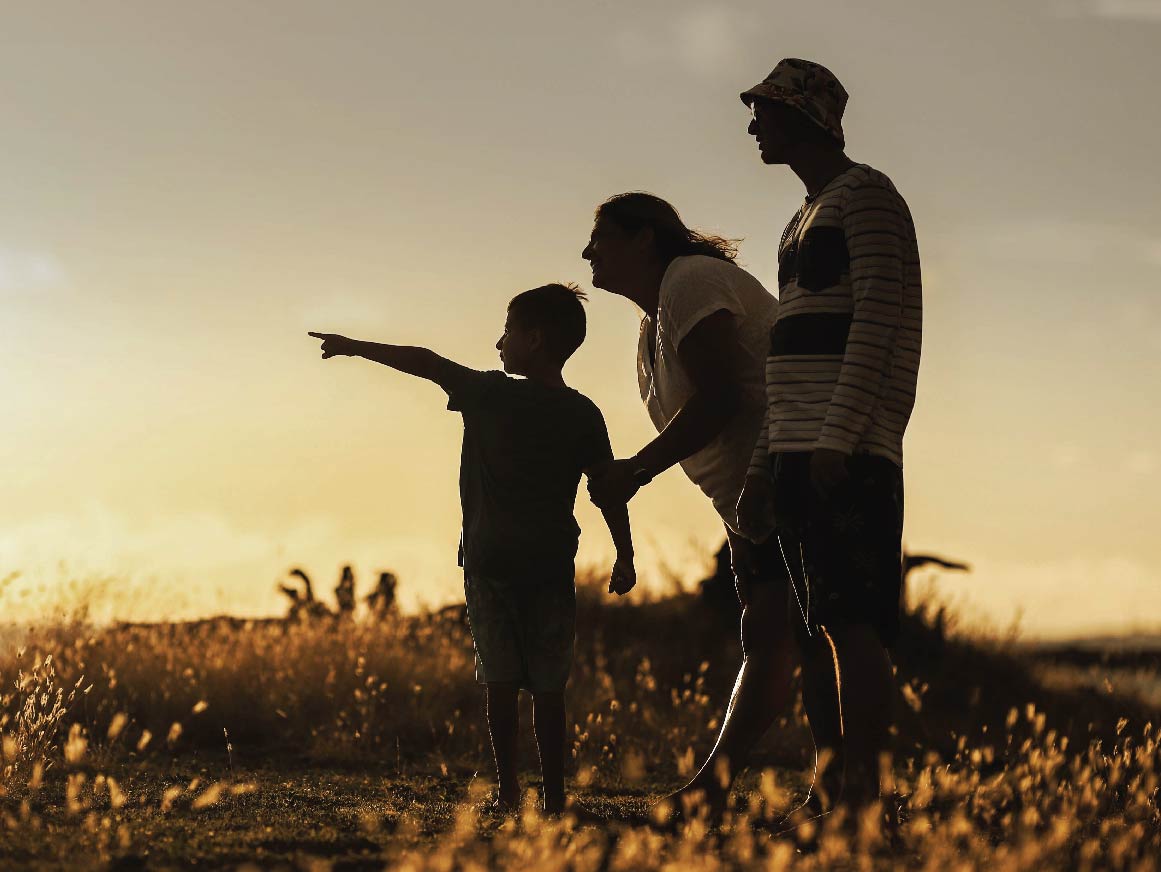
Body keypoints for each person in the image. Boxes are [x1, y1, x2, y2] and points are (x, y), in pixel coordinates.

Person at [308, 283, 636, 815]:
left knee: (500, 681)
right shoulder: (583, 413)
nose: (499, 341)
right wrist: (625, 553)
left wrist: (355, 346)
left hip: (488, 564)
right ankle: (553, 798)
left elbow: (426, 362)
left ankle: (509, 793)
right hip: (551, 566)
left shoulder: (490, 392)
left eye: (508, 330)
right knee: (549, 689)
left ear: (534, 338)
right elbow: (606, 488)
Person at [736, 58, 923, 817]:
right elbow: (788, 352)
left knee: (851, 623)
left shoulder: (868, 198)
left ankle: (865, 803)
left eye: (765, 112)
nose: (753, 126)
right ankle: (830, 787)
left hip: (842, 452)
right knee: (814, 628)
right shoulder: (802, 216)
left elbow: (881, 323)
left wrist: (839, 438)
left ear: (803, 119)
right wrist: (762, 462)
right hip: (795, 450)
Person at [581, 193, 791, 815]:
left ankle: (721, 791)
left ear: (644, 239)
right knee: (779, 637)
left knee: (791, 637)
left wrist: (638, 470)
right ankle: (797, 789)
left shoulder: (691, 282)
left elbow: (724, 395)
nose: (588, 252)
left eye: (602, 237)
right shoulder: (660, 312)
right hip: (753, 499)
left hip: (787, 477)